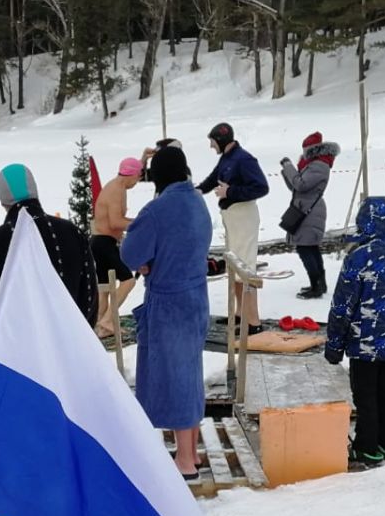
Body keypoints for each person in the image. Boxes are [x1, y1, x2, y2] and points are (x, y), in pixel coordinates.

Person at [121, 145, 213, 481]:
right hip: (196, 297)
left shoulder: (157, 210)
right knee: (189, 373)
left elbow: (130, 254)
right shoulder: (198, 201)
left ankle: (185, 460)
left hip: (169, 302)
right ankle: (192, 452)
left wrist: (147, 261)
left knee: (174, 378)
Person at [0, 163, 98, 365]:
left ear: (3, 201)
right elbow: (89, 298)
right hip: (71, 354)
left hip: (18, 364)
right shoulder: (71, 233)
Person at [324, 197, 385, 469]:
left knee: (365, 396)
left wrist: (334, 345)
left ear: (363, 221)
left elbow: (343, 305)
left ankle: (366, 447)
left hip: (365, 341)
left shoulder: (359, 257)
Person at [198, 123, 269, 335]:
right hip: (232, 217)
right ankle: (240, 313)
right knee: (234, 265)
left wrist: (231, 192)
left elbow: (261, 187)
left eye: (212, 141)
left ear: (221, 140)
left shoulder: (244, 159)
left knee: (245, 267)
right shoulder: (227, 158)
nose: (211, 146)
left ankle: (253, 321)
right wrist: (195, 191)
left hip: (244, 216)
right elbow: (213, 179)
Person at [280, 132, 340, 299]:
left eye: (305, 148)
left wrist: (289, 167)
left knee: (305, 248)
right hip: (306, 209)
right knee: (310, 247)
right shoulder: (313, 164)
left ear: (312, 149)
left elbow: (301, 185)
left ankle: (316, 286)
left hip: (310, 211)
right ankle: (319, 284)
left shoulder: (319, 165)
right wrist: (287, 171)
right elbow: (295, 187)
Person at [91, 156, 142, 338]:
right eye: (138, 177)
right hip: (104, 242)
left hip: (100, 241)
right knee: (128, 281)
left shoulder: (117, 185)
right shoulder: (116, 190)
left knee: (104, 288)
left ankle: (101, 326)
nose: (138, 182)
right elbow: (115, 222)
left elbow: (134, 167)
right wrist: (140, 223)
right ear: (132, 175)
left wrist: (144, 157)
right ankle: (107, 320)